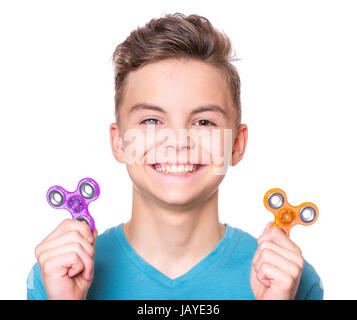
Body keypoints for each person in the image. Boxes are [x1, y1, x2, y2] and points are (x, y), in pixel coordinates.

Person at [27, 12, 323, 300]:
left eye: (204, 122)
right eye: (152, 121)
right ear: (118, 142)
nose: (179, 142)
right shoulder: (56, 276)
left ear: (236, 144)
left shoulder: (291, 281)